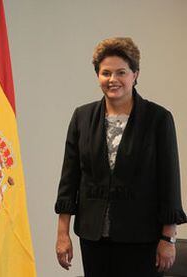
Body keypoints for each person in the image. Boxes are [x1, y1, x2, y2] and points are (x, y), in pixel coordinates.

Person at [54, 37, 186, 277]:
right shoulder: (82, 117)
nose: (113, 80)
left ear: (135, 74)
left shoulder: (158, 119)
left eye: (121, 72)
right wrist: (62, 234)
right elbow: (69, 179)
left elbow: (169, 182)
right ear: (98, 76)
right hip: (93, 235)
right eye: (106, 73)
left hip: (142, 236)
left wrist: (168, 238)